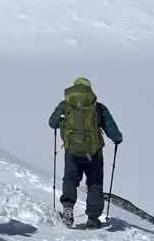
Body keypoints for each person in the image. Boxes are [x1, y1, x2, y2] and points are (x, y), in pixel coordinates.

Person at [49, 77, 122, 229]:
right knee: (95, 184)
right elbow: (113, 131)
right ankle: (93, 220)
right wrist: (118, 139)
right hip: (94, 154)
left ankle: (68, 207)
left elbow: (52, 123)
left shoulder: (65, 105)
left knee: (70, 180)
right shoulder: (98, 107)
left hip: (72, 152)